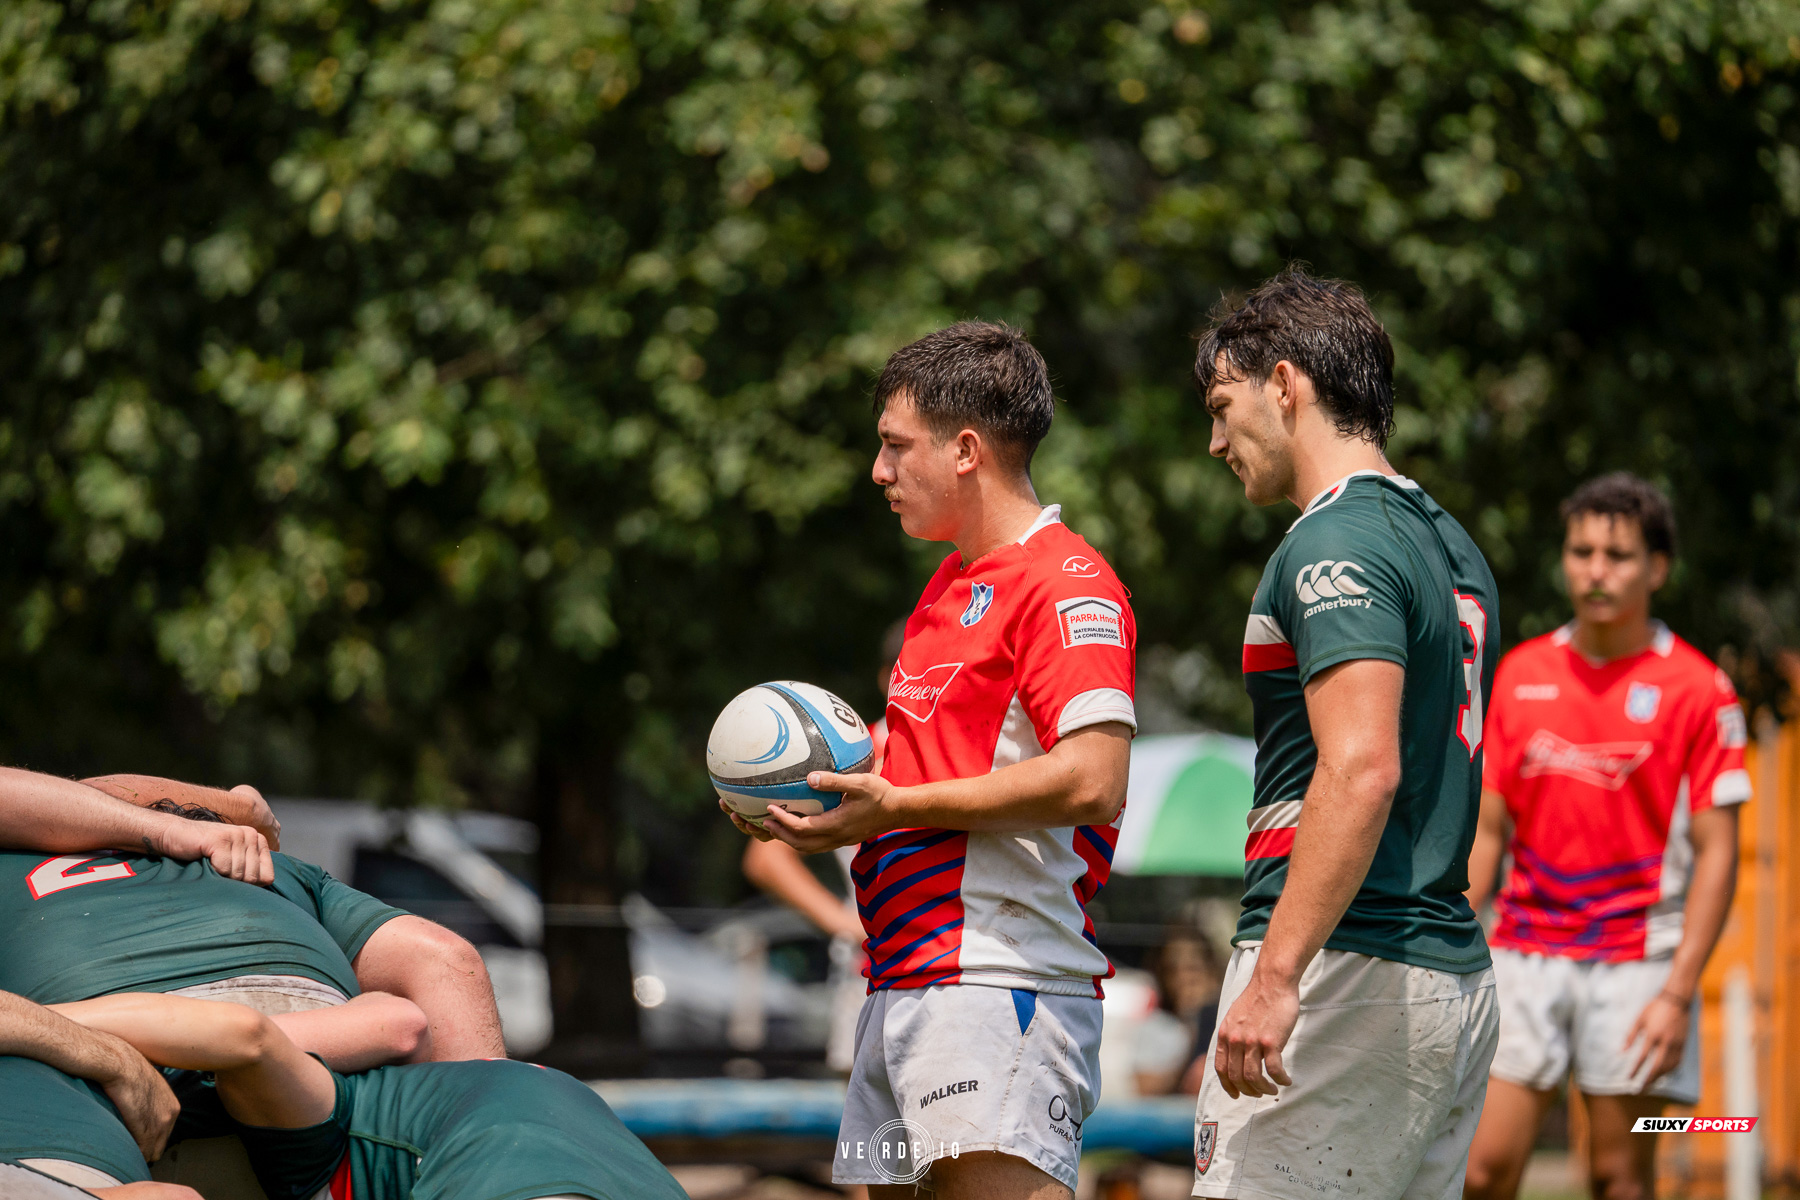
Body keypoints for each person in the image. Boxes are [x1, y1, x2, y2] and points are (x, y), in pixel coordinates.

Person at [725, 322, 1137, 1200]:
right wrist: (813, 807)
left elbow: (1096, 779)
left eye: (893, 446)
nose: (878, 472)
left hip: (993, 984)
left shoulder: (1066, 582)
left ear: (965, 450)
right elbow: (910, 776)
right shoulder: (943, 590)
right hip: (895, 983)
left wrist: (893, 810)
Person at [1193, 268, 1499, 1200]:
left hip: (1345, 973)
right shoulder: (1449, 541)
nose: (1215, 441)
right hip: (1443, 971)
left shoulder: (1336, 541)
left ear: (1285, 385)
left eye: (1222, 405)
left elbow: (1362, 768)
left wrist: (1276, 976)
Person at [1462, 474, 1746, 1200]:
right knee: (1481, 1168)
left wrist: (1678, 994)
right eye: (1581, 550)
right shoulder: (1522, 673)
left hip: (1639, 966)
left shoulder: (1700, 689)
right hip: (1523, 952)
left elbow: (1720, 852)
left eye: (1617, 555)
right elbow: (1488, 829)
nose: (1595, 569)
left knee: (1618, 1175)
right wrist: (1457, 946)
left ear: (1657, 568)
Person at [49, 990, 687, 1200]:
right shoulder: (352, 1114)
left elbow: (241, 1034)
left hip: (504, 1161)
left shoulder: (314, 1138)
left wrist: (35, 1020)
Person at [740, 619, 903, 1074]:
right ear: (887, 677)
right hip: (872, 974)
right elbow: (766, 855)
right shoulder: (860, 755)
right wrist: (844, 924)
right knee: (875, 1139)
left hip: (933, 970)